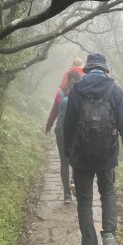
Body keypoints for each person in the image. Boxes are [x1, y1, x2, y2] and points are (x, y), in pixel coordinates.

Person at [63, 53, 123, 245]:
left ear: (88, 70)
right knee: (107, 192)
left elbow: (68, 126)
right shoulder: (115, 90)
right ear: (104, 69)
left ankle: (90, 244)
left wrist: (69, 152)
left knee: (84, 201)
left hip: (81, 156)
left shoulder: (77, 90)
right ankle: (109, 237)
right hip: (107, 155)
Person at [46, 69, 81, 202]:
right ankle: (75, 185)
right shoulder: (80, 94)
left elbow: (54, 111)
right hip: (76, 134)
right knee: (76, 162)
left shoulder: (60, 94)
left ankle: (67, 194)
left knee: (64, 161)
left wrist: (48, 125)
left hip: (61, 132)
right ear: (78, 80)